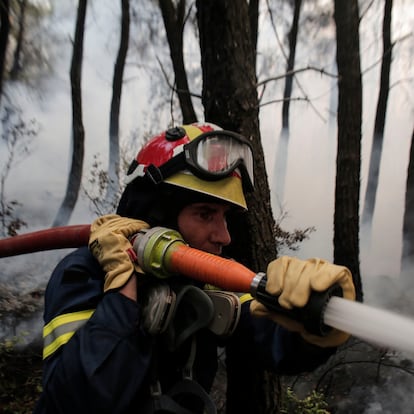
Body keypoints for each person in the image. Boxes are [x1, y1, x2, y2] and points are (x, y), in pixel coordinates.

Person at [33, 123, 355, 414]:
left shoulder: (208, 280)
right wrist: (121, 292)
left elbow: (274, 342)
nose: (224, 236)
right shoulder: (81, 274)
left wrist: (318, 322)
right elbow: (76, 400)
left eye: (224, 216)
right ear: (159, 218)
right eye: (205, 214)